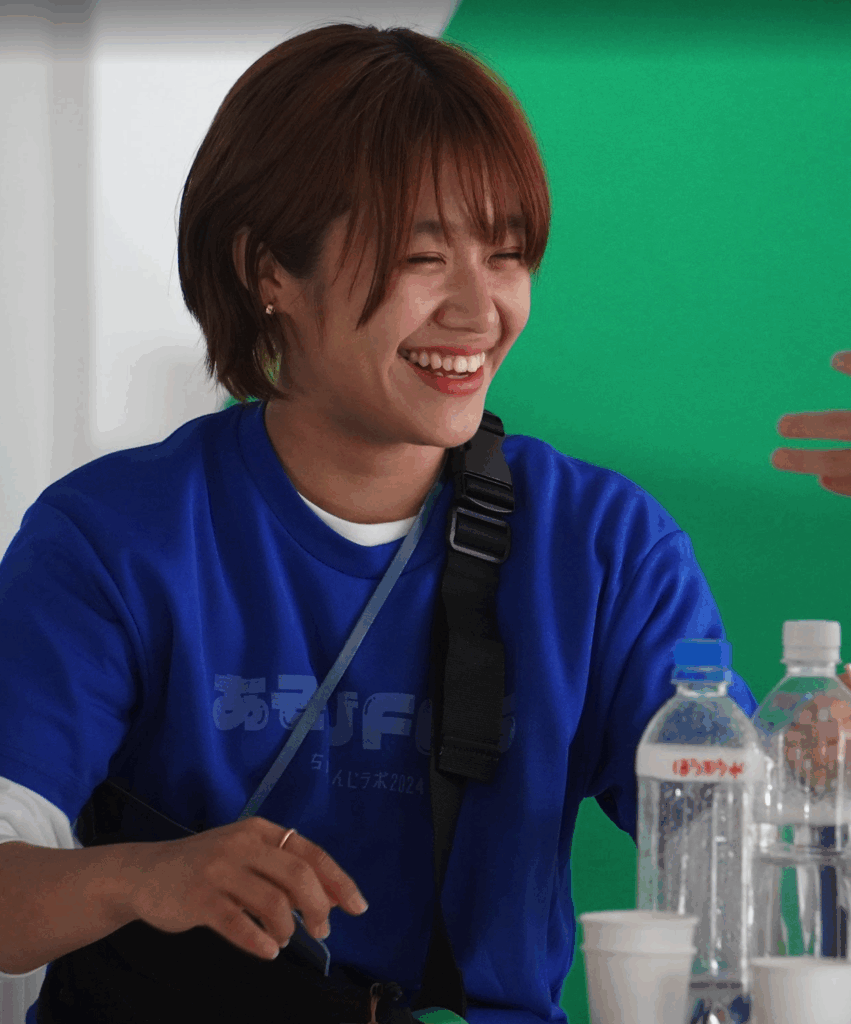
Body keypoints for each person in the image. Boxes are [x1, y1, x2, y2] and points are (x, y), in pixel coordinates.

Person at [0, 19, 839, 1024]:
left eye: (508, 255)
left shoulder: (604, 546)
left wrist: (816, 768)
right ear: (269, 270)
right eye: (421, 256)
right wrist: (146, 876)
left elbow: (735, 850)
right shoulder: (114, 536)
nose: (479, 311)